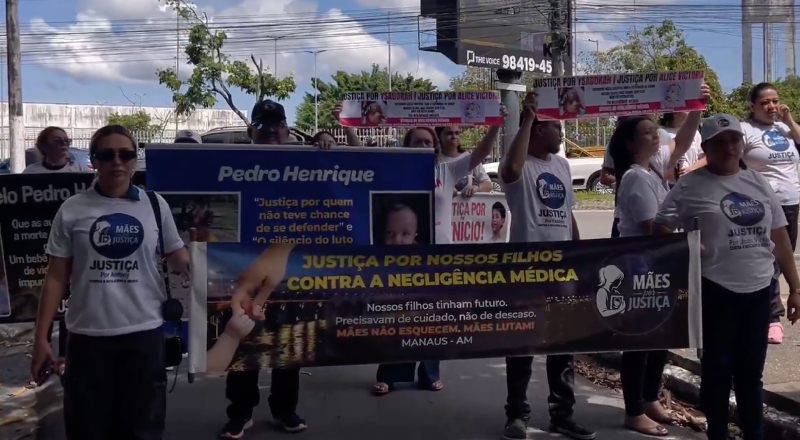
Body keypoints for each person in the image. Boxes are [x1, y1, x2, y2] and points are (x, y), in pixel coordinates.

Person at [29, 124, 190, 440]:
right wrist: (41, 338)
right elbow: (56, 277)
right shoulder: (73, 209)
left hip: (143, 335)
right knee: (88, 428)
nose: (117, 162)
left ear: (134, 160)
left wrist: (210, 263)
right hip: (87, 339)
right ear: (94, 161)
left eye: (126, 154)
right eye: (107, 155)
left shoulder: (155, 205)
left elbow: (178, 257)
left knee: (142, 428)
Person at [652, 114, 800, 440]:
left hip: (759, 289)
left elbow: (780, 236)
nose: (729, 147)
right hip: (714, 291)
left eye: (734, 139)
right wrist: (686, 249)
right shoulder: (691, 185)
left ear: (742, 143)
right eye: (719, 142)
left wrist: (796, 287)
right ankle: (717, 433)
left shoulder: (757, 182)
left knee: (751, 375)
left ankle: (754, 433)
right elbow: (660, 226)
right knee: (717, 373)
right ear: (705, 147)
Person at [373, 106, 506, 395]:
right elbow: (361, 160)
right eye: (416, 142)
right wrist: (345, 126)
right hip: (402, 256)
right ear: (406, 147)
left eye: (427, 142)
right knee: (396, 314)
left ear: (435, 147)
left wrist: (495, 125)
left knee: (434, 317)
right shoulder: (393, 172)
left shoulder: (446, 170)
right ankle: (389, 374)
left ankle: (429, 372)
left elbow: (480, 156)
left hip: (439, 255)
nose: (423, 146)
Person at [221, 99, 330, 439]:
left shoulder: (308, 163)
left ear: (286, 129)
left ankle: (284, 408)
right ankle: (240, 413)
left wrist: (326, 146)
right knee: (243, 341)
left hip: (293, 266)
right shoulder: (230, 163)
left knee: (288, 342)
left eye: (277, 124)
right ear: (252, 130)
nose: (271, 131)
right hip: (244, 267)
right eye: (264, 125)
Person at [498, 96, 594, 440]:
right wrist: (526, 119)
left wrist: (579, 256)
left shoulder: (563, 166)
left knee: (562, 346)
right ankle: (517, 415)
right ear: (539, 130)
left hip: (562, 270)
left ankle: (562, 414)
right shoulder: (520, 166)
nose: (561, 133)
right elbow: (508, 171)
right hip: (526, 270)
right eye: (556, 127)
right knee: (522, 345)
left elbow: (567, 214)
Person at [608, 116, 672, 436]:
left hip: (659, 268)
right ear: (631, 144)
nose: (655, 135)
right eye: (647, 132)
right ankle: (634, 410)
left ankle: (649, 398)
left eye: (654, 129)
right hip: (639, 269)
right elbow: (652, 225)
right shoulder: (634, 177)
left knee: (661, 338)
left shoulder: (652, 173)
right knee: (640, 341)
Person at [740, 82, 800, 345]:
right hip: (762, 205)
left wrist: (789, 118)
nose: (772, 106)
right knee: (768, 262)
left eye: (775, 101)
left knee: (784, 260)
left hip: (791, 202)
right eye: (765, 102)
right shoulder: (745, 130)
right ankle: (771, 318)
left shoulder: (784, 129)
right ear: (753, 106)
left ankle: (768, 314)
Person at [435, 126, 493, 196]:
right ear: (439, 136)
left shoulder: (470, 158)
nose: (454, 136)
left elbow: (488, 184)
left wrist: (477, 187)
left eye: (457, 133)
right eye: (449, 133)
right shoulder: (435, 160)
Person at [23, 126, 92, 173]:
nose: (63, 143)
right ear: (43, 146)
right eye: (56, 140)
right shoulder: (31, 172)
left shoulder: (80, 169)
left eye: (66, 140)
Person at [658, 112, 704, 181]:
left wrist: (692, 168)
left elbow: (703, 157)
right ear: (675, 113)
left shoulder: (695, 133)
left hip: (692, 180)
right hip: (671, 182)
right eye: (687, 109)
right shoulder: (661, 133)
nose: (690, 111)